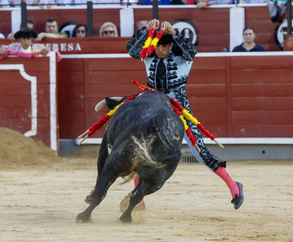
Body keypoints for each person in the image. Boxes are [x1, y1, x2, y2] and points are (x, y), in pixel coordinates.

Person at [93, 19, 244, 211]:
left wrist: (173, 33)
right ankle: (138, 201)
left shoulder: (183, 56)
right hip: (151, 102)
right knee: (137, 144)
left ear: (170, 45)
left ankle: (234, 187)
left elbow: (192, 50)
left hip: (178, 106)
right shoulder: (149, 55)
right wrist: (146, 31)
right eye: (157, 46)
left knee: (200, 152)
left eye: (163, 47)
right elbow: (131, 50)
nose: (160, 50)